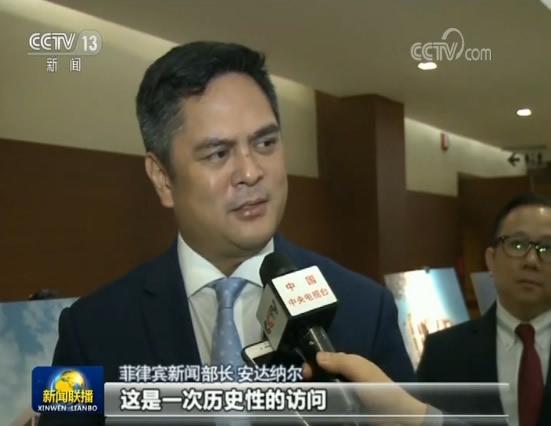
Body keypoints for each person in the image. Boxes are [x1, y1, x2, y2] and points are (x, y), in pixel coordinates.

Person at [40, 41, 414, 424]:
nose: (251, 172)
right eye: (218, 153)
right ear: (162, 178)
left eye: (265, 143)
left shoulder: (365, 309)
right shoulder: (90, 330)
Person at [417, 193, 551, 425]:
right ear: (491, 260)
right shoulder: (443, 353)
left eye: (547, 248)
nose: (531, 261)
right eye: (517, 244)